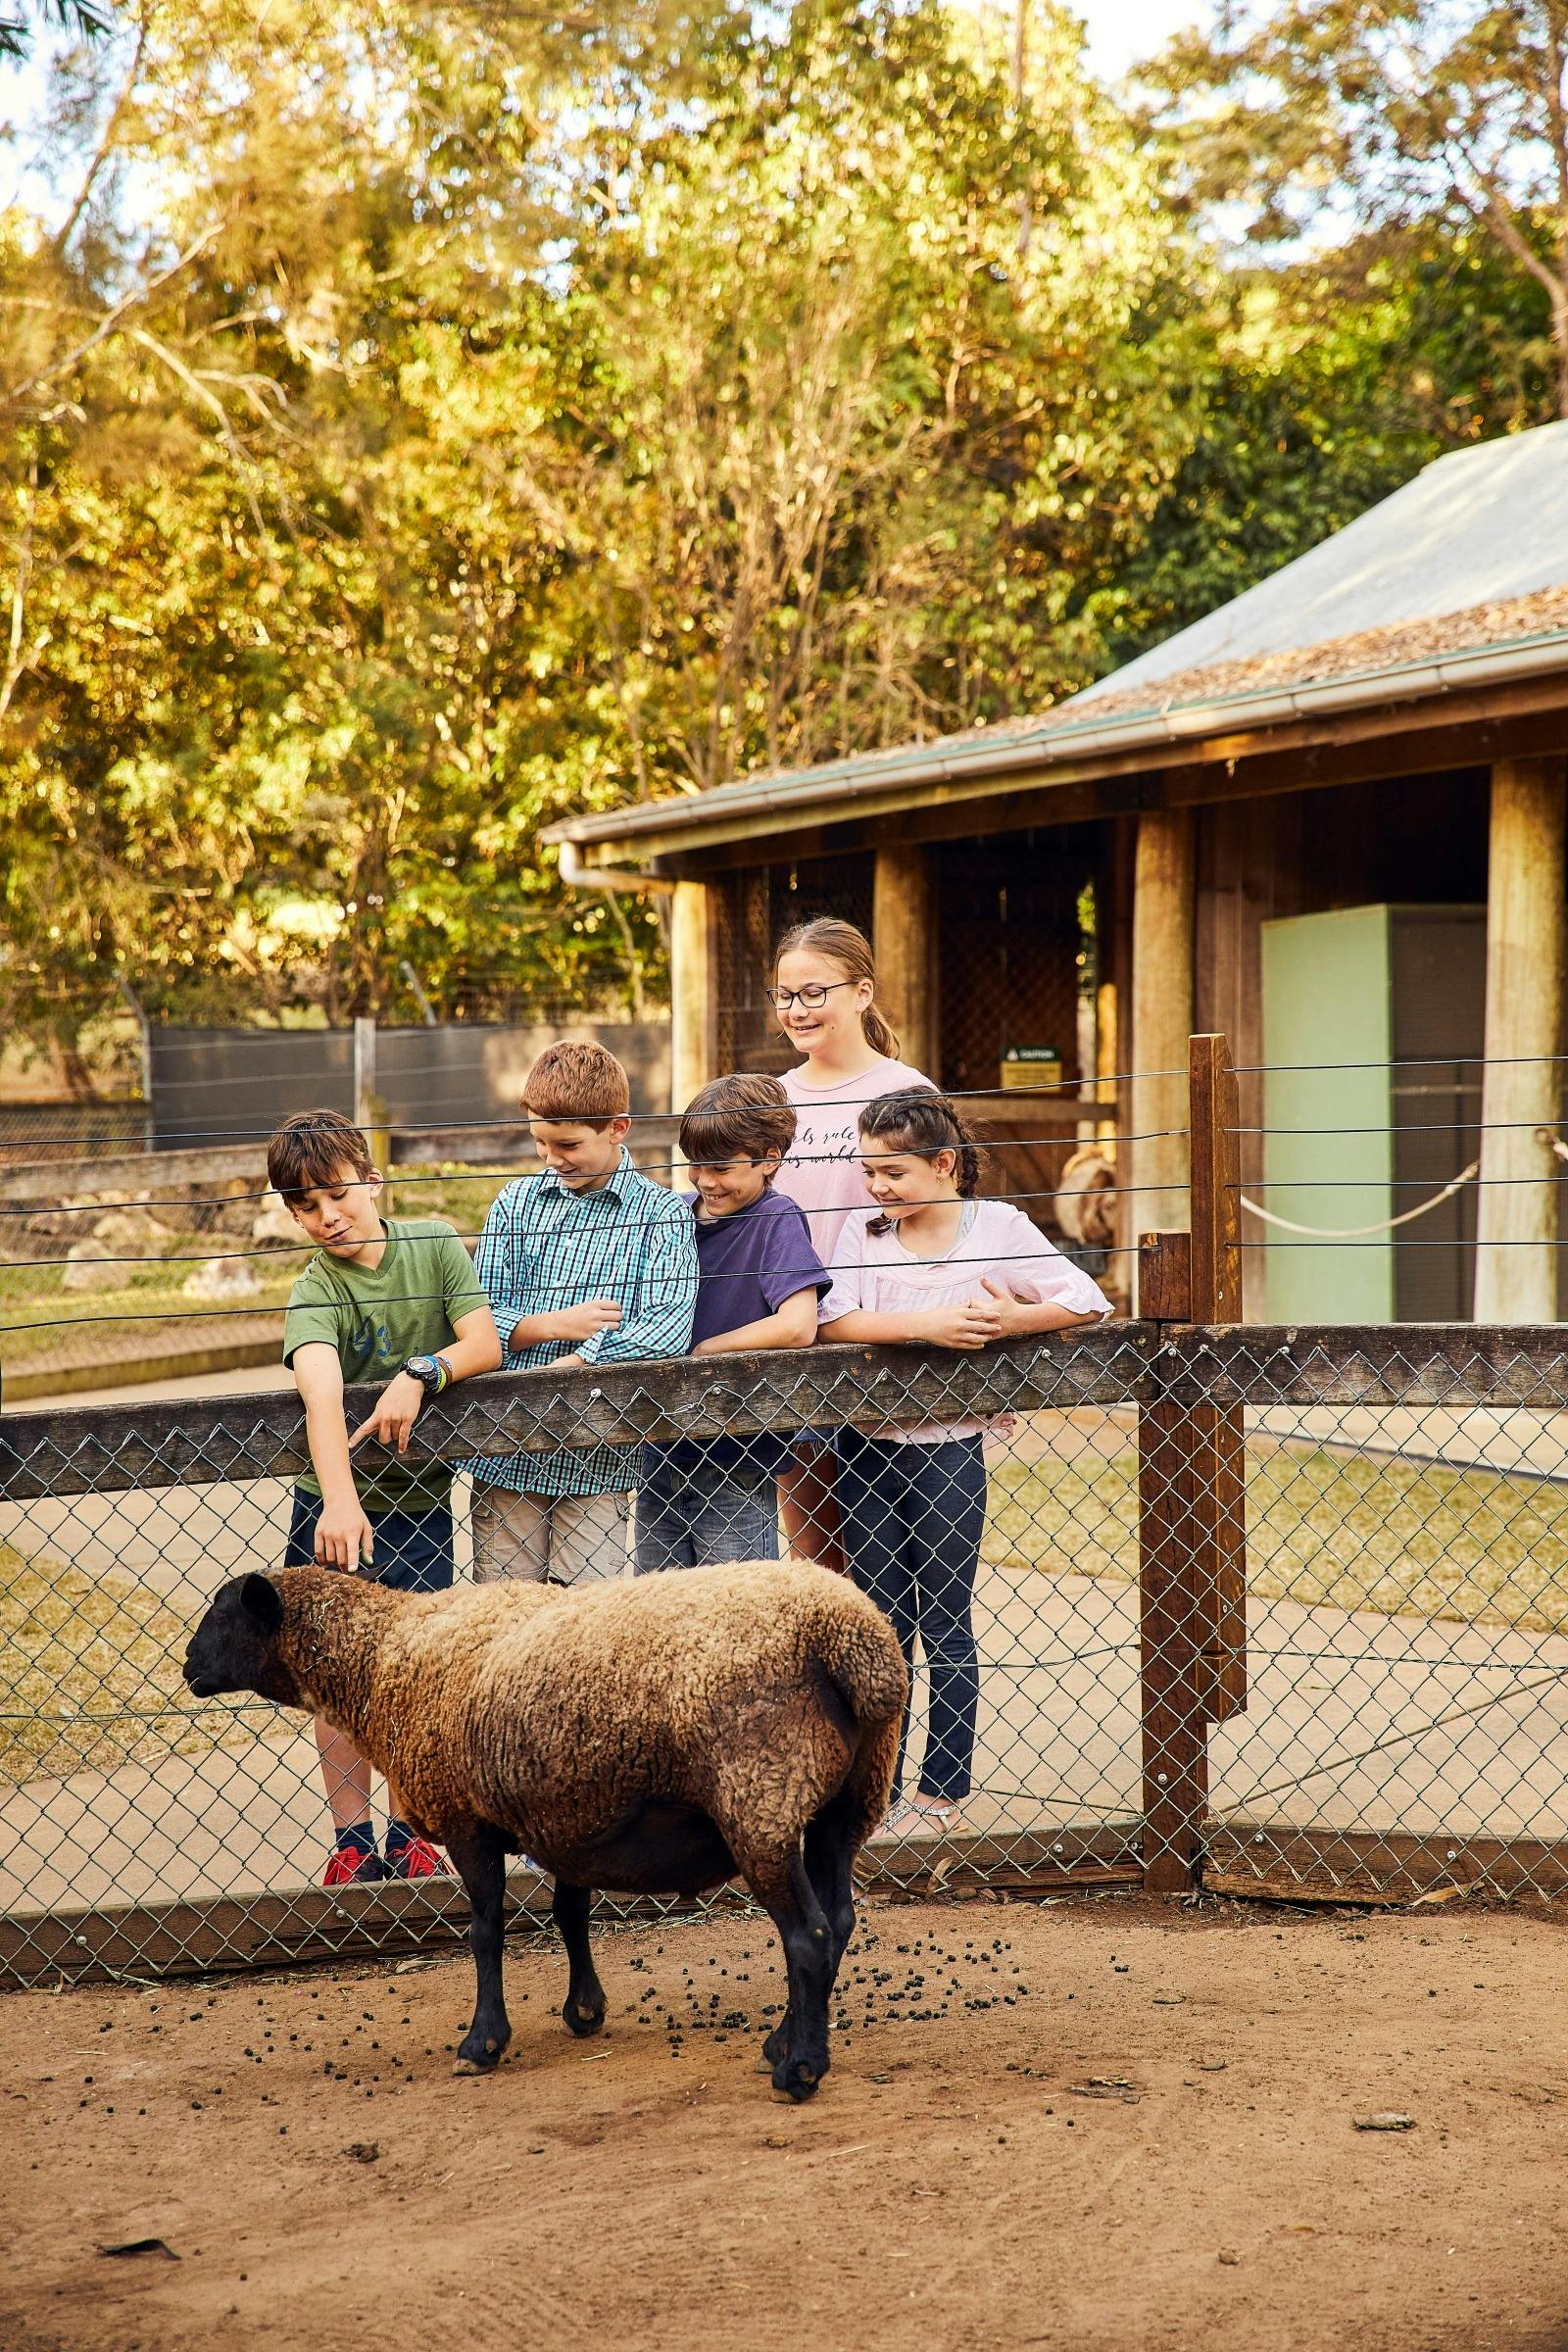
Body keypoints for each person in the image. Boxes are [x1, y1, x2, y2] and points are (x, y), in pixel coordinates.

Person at [818, 1088, 1111, 1841]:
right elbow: (835, 1318)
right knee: (880, 1621)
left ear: (944, 1164)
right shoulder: (864, 1230)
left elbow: (1084, 1297)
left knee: (945, 1616)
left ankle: (942, 1788)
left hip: (950, 1449)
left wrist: (1016, 1318)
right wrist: (928, 1325)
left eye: (893, 1173)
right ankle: (871, 1791)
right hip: (867, 1449)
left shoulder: (1001, 1228)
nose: (878, 1188)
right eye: (869, 1172)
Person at [270, 1106, 503, 1886]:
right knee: (333, 1681)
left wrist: (421, 1373)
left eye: (336, 1193)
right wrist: (339, 1501)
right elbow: (322, 1393)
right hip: (335, 1508)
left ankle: (408, 1831)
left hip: (421, 1503)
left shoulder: (433, 1243)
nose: (326, 1217)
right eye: (305, 1205)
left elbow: (484, 1342)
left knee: (411, 1677)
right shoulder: (316, 1287)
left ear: (372, 1179)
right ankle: (352, 1840)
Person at [468, 1040, 698, 1585]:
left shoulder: (660, 1212)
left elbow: (668, 1326)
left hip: (600, 1450)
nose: (552, 1158)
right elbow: (477, 1316)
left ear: (617, 1128)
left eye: (567, 1143)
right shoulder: (514, 1205)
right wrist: (549, 1327)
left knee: (586, 1619)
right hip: (509, 1446)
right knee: (504, 1609)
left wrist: (578, 1361)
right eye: (541, 1143)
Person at [767, 914, 934, 1570]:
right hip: (798, 1339)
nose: (797, 1010)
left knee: (888, 1564)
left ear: (861, 993)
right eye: (784, 995)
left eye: (815, 992)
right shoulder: (772, 1099)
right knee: (814, 1559)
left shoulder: (905, 1091)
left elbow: (939, 1214)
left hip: (881, 1339)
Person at [635, 1072, 828, 1574]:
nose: (704, 1180)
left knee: (735, 1604)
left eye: (721, 1167)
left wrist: (706, 1350)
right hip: (663, 1441)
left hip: (737, 1450)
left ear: (769, 1158)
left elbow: (798, 1325)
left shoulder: (776, 1218)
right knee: (656, 1602)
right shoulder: (672, 1215)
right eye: (696, 1165)